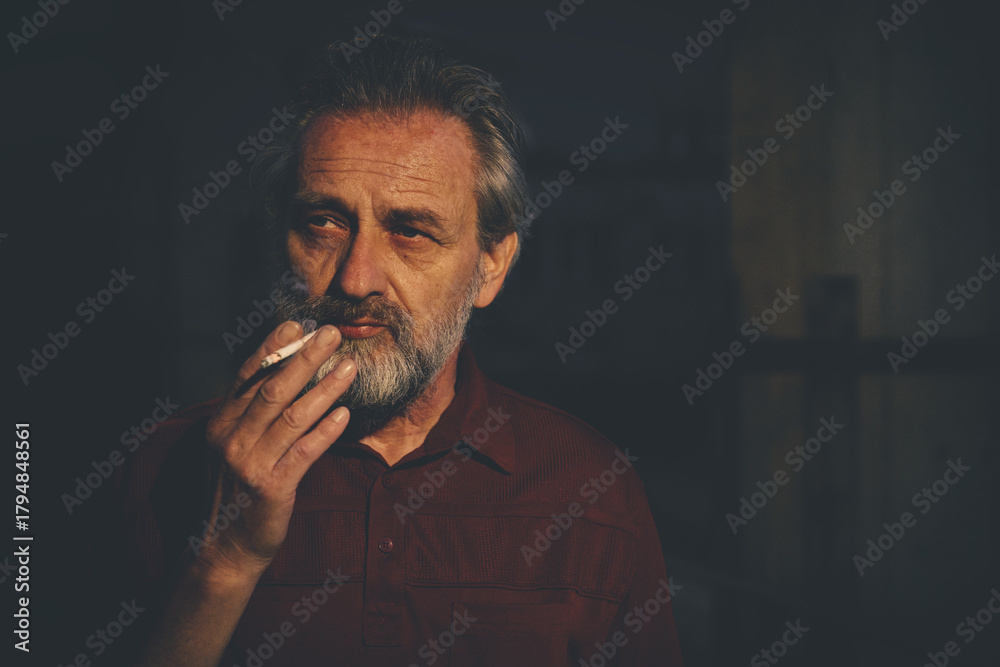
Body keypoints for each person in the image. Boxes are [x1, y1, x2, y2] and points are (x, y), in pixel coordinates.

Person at [120, 35, 684, 666]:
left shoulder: (590, 488)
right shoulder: (168, 465)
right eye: (323, 223)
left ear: (491, 265)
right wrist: (224, 561)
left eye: (411, 231)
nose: (356, 279)